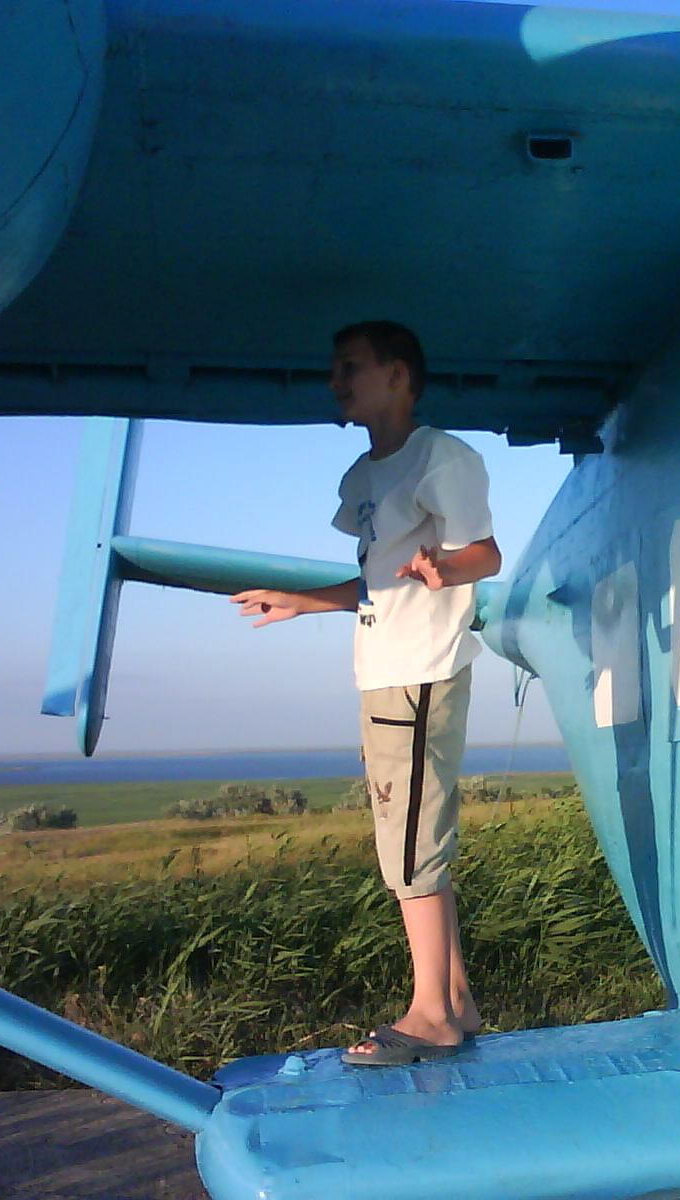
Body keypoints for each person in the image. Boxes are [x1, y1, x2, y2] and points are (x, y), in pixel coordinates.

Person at [231, 320, 501, 1065]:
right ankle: (455, 999)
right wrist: (301, 602)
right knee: (414, 839)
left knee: (411, 847)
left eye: (350, 367)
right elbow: (374, 581)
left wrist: (445, 569)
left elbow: (485, 552)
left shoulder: (441, 457)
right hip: (383, 672)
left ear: (398, 377)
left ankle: (431, 1016)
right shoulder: (365, 476)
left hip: (419, 672)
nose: (336, 381)